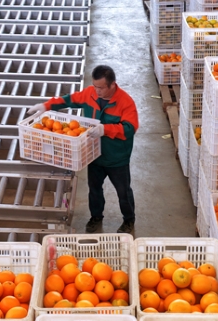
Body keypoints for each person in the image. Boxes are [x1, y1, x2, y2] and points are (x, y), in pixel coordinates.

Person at [28, 65, 139, 234]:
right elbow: (68, 99)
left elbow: (130, 128)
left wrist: (106, 129)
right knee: (94, 190)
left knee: (123, 192)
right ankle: (96, 217)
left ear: (112, 85)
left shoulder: (125, 102)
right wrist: (47, 106)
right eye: (95, 86)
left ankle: (129, 220)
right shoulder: (90, 94)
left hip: (117, 158)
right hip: (93, 154)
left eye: (101, 88)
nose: (97, 91)